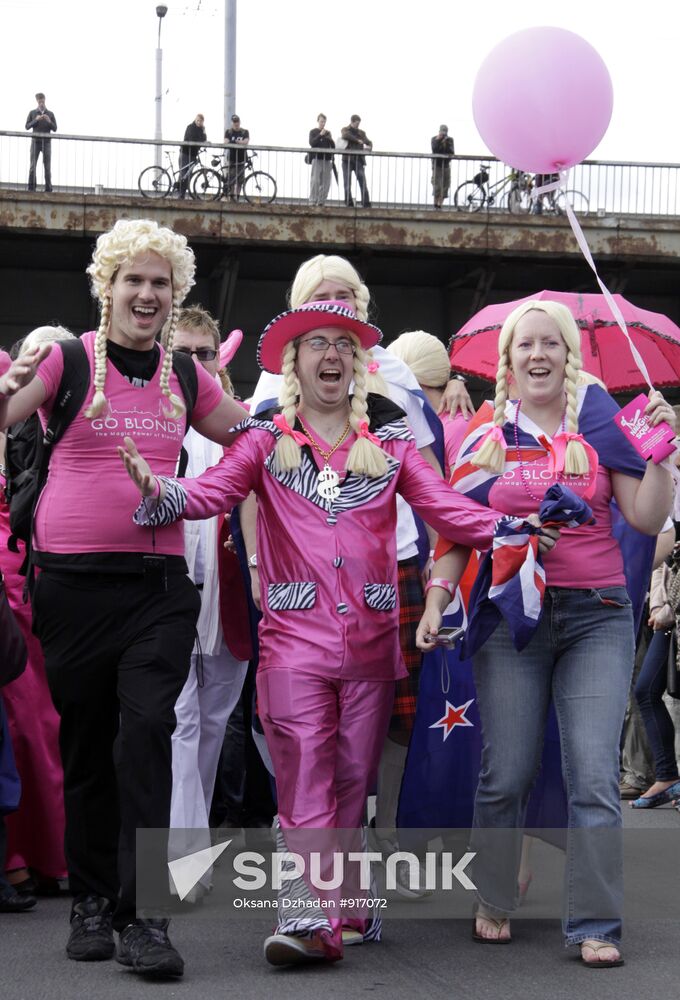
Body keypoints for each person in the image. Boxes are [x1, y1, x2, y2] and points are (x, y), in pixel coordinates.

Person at [120, 299, 559, 969]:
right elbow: (209, 492)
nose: (330, 355)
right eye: (316, 344)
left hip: (372, 639)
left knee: (352, 782)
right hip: (293, 641)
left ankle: (348, 902)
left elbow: (443, 508)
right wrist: (160, 489)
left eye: (341, 346)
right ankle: (305, 918)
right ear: (295, 364)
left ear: (356, 365)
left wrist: (512, 529)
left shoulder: (390, 445)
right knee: (303, 778)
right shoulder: (264, 440)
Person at [0, 219, 246, 978]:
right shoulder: (68, 360)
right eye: (133, 280)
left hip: (158, 590)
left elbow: (254, 439)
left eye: (160, 283)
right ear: (106, 288)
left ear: (176, 295)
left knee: (145, 735)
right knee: (88, 747)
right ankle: (91, 903)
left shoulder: (186, 375)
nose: (146, 294)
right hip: (71, 588)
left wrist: (202, 491)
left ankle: (146, 921)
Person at [416, 299, 675, 967]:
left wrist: (661, 459)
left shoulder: (602, 425)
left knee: (592, 772)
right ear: (508, 361)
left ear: (568, 356)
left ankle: (595, 924)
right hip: (511, 616)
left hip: (597, 613)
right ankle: (494, 895)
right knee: (508, 771)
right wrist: (436, 599)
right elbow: (452, 531)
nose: (538, 354)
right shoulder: (484, 437)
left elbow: (646, 520)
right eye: (525, 344)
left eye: (550, 344)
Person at [168, 305, 250, 894]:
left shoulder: (239, 422)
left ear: (218, 357)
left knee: (214, 725)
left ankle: (186, 845)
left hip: (229, 598)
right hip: (170, 596)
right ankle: (185, 855)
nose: (192, 363)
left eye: (202, 353)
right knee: (181, 722)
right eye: (182, 352)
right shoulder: (150, 415)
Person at [26, 93, 57, 193]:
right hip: (35, 142)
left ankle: (48, 189)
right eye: (39, 101)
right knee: (32, 166)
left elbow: (55, 128)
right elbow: (27, 126)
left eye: (42, 101)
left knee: (47, 167)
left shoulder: (50, 114)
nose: (41, 103)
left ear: (45, 100)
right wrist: (36, 120)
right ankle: (31, 188)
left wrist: (49, 121)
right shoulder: (32, 113)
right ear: (37, 102)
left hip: (47, 143)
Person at [341, 115, 372, 208]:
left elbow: (369, 142)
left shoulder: (362, 133)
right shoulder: (345, 129)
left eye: (359, 123)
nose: (358, 125)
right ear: (352, 122)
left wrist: (369, 147)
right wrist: (357, 140)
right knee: (347, 182)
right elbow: (345, 135)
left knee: (362, 181)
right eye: (356, 123)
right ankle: (348, 202)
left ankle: (366, 203)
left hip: (359, 160)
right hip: (347, 160)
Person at [308, 114, 335, 207]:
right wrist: (320, 135)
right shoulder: (313, 132)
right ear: (318, 121)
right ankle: (312, 200)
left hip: (327, 160)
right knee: (315, 180)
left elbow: (333, 146)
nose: (323, 123)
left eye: (324, 121)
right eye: (321, 121)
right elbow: (312, 143)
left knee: (326, 182)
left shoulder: (328, 133)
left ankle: (321, 201)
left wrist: (329, 138)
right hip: (317, 158)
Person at [178, 113, 206, 199]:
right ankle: (180, 194)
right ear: (195, 120)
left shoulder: (201, 129)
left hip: (193, 154)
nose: (198, 122)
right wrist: (200, 141)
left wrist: (204, 131)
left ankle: (182, 193)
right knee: (183, 174)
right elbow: (192, 139)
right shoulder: (190, 127)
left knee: (188, 175)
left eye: (200, 121)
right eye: (197, 120)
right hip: (185, 153)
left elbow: (204, 139)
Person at [224, 113, 250, 200]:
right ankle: (231, 197)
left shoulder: (244, 131)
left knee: (240, 180)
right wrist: (238, 142)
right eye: (234, 122)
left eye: (237, 121)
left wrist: (234, 142)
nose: (236, 123)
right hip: (231, 159)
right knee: (231, 179)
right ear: (232, 123)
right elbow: (226, 142)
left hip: (242, 159)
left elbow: (246, 141)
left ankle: (237, 197)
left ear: (240, 122)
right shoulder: (228, 132)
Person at [430, 125, 455, 209]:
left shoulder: (450, 140)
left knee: (446, 185)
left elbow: (452, 152)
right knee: (436, 185)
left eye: (445, 131)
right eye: (442, 131)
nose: (443, 133)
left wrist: (446, 143)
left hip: (446, 165)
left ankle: (440, 204)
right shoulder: (434, 139)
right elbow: (434, 149)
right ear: (439, 131)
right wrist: (438, 140)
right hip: (437, 165)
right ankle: (435, 203)